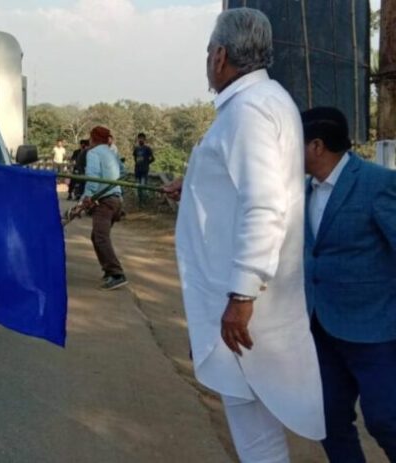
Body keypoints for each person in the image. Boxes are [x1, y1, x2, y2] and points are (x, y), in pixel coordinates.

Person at [164, 8, 324, 461]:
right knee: (257, 425)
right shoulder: (266, 101)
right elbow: (246, 188)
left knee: (255, 432)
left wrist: (241, 295)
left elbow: (264, 204)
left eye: (208, 54)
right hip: (251, 297)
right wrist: (193, 186)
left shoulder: (249, 112)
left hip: (245, 304)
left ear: (219, 56)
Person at [301, 107, 396, 462]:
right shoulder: (300, 189)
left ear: (316, 146)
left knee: (386, 420)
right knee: (328, 420)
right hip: (321, 327)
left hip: (376, 331)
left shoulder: (377, 184)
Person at [81, 126, 127, 291]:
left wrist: (87, 197)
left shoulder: (93, 153)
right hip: (116, 199)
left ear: (93, 139)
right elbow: (124, 171)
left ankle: (116, 274)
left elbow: (92, 177)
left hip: (105, 200)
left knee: (100, 237)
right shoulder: (111, 152)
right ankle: (108, 271)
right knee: (97, 236)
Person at [132, 133, 155, 201]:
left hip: (144, 170)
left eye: (142, 138)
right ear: (138, 139)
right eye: (139, 138)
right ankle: (139, 201)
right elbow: (135, 158)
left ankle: (145, 201)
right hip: (137, 170)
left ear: (144, 140)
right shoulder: (136, 149)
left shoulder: (147, 148)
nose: (140, 140)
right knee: (138, 188)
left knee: (143, 186)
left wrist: (147, 163)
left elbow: (153, 158)